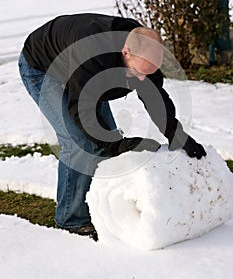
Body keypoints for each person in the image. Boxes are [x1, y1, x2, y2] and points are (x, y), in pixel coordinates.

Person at [18, 13, 206, 240]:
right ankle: (71, 220)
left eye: (149, 73)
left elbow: (154, 96)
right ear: (125, 52)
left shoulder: (145, 54)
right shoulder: (93, 54)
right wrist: (117, 145)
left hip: (82, 75)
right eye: (138, 72)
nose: (142, 79)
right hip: (42, 67)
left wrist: (175, 133)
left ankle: (100, 207)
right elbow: (83, 111)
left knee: (104, 142)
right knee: (81, 143)